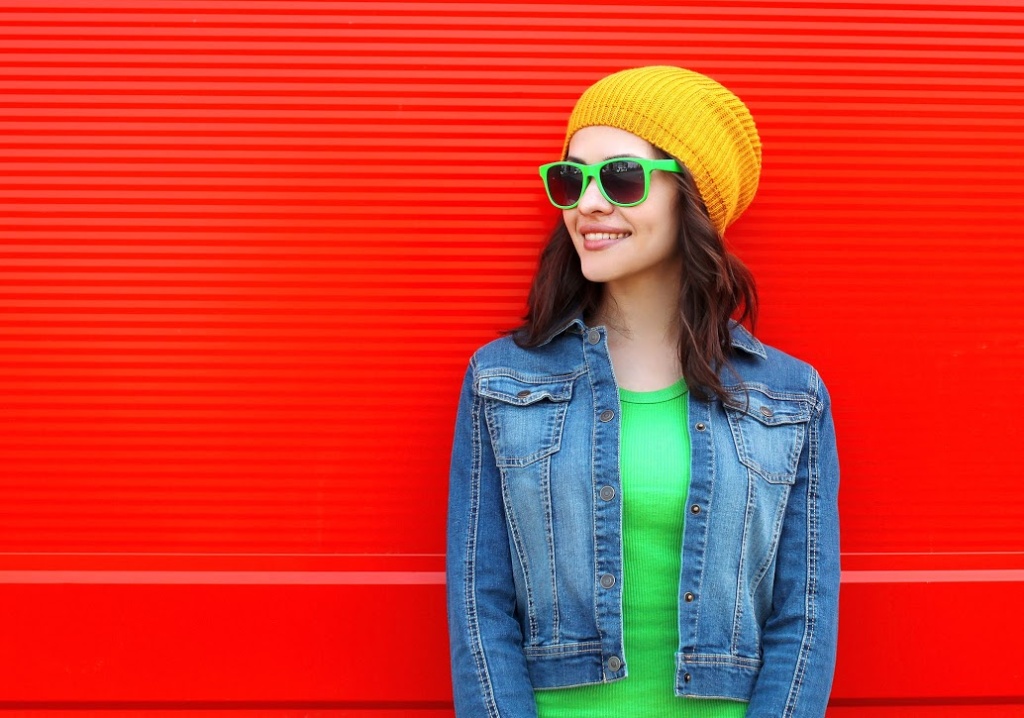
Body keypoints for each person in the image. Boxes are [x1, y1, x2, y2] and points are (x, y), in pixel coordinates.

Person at [446, 65, 840, 718]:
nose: (589, 204)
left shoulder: (790, 398)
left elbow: (804, 617)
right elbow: (479, 604)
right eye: (572, 179)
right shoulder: (504, 381)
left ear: (691, 197)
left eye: (622, 178)